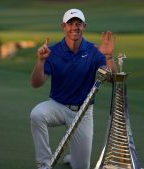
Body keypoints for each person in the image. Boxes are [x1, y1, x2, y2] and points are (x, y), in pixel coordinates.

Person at [30, 8, 117, 169]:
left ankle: (74, 157)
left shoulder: (95, 51)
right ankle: (44, 164)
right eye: (70, 24)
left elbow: (113, 79)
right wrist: (40, 61)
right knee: (37, 114)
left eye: (78, 23)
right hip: (57, 106)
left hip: (83, 111)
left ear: (84, 26)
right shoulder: (53, 51)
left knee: (81, 166)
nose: (74, 27)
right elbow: (36, 83)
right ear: (63, 26)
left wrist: (109, 57)